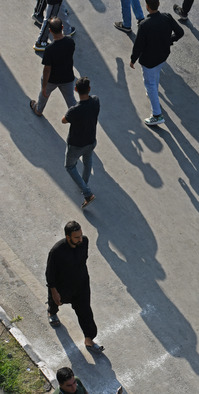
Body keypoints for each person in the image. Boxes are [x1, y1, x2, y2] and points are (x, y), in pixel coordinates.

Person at [46, 221, 104, 354]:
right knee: (55, 301)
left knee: (86, 312)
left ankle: (89, 340)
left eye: (81, 235)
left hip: (81, 285)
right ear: (68, 237)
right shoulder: (56, 251)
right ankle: (52, 312)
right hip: (63, 286)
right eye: (77, 237)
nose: (80, 239)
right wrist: (54, 291)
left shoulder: (85, 242)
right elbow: (50, 274)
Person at [130, 0, 184, 126]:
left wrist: (133, 60)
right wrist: (170, 40)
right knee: (155, 75)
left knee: (149, 84)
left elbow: (138, 46)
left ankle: (157, 115)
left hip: (149, 60)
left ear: (147, 6)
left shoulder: (144, 25)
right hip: (163, 56)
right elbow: (180, 33)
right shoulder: (167, 17)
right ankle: (153, 93)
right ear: (158, 4)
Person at [61, 77, 100, 209]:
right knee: (88, 161)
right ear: (89, 89)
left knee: (70, 167)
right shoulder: (95, 101)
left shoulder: (75, 110)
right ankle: (84, 184)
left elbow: (64, 120)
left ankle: (87, 193)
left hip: (76, 145)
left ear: (75, 89)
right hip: (91, 141)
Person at [30, 17, 77, 117]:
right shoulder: (70, 42)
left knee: (44, 95)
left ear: (50, 31)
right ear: (62, 27)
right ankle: (76, 117)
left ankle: (38, 110)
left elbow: (47, 70)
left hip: (52, 79)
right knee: (71, 100)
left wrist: (44, 87)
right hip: (67, 77)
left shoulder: (49, 49)